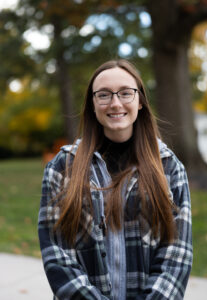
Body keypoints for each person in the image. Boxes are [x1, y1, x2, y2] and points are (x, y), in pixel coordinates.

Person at [38, 59, 193, 300]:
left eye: (125, 93)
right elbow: (56, 254)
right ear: (92, 103)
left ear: (140, 100)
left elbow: (176, 255)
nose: (115, 103)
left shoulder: (169, 167)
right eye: (104, 95)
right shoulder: (63, 167)